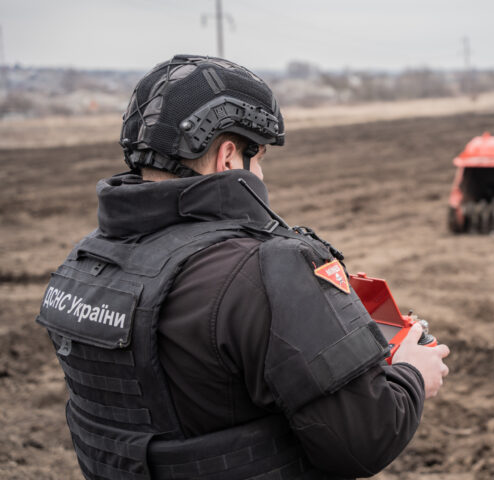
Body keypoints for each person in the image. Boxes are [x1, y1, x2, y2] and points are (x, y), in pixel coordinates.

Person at [36, 54, 450, 480]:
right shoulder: (266, 269)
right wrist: (412, 375)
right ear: (229, 157)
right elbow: (365, 440)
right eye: (261, 157)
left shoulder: (85, 263)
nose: (263, 175)